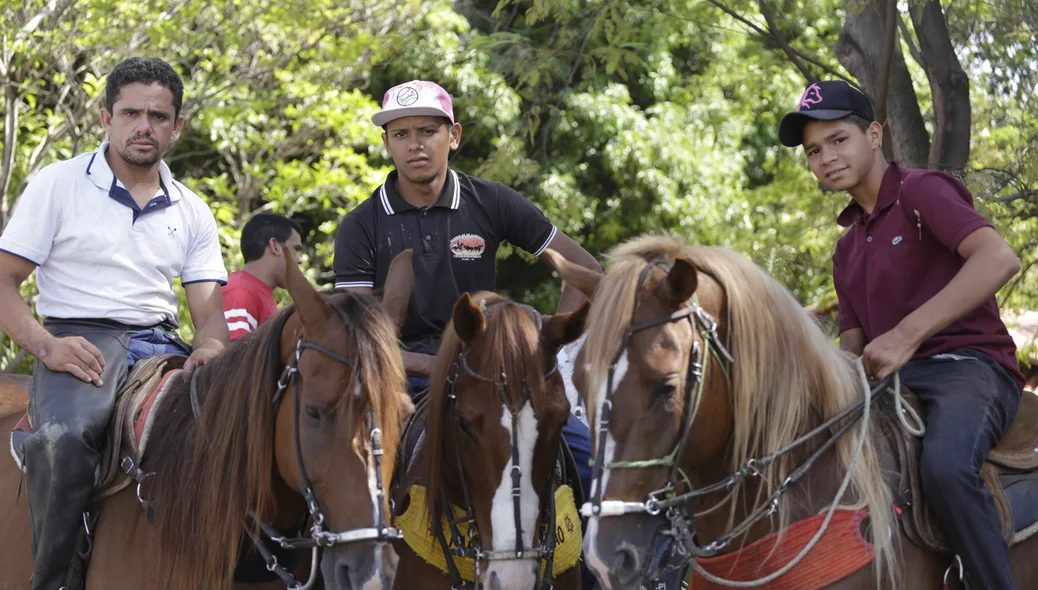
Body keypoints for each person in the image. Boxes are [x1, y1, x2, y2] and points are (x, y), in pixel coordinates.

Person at [779, 80, 1024, 589]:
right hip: (892, 384)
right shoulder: (846, 251)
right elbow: (853, 349)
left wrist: (906, 334)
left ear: (874, 134)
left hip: (969, 367)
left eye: (838, 139)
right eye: (814, 151)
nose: (827, 157)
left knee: (945, 467)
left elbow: (999, 258)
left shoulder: (922, 190)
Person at [0, 57, 229, 590]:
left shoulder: (192, 210)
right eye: (131, 113)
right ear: (106, 117)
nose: (143, 126)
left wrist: (213, 349)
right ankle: (53, 579)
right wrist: (45, 346)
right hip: (78, 340)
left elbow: (209, 316)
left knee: (235, 429)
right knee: (64, 436)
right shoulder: (58, 184)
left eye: (158, 115)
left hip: (159, 345)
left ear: (177, 126)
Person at [333, 79, 599, 508]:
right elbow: (356, 338)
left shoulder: (492, 201)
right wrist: (437, 363)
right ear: (386, 143)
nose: (414, 145)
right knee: (355, 490)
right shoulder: (360, 225)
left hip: (496, 372)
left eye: (427, 131)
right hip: (404, 379)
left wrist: (550, 347)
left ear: (453, 136)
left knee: (588, 464)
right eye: (401, 134)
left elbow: (584, 268)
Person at [223, 212, 303, 340]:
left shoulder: (256, 291)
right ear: (275, 246)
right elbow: (233, 357)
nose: (300, 260)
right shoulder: (241, 291)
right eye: (296, 249)